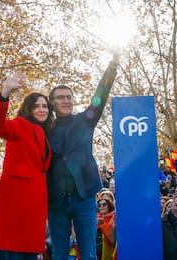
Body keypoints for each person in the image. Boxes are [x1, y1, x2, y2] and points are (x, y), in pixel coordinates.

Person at [46, 53, 119, 260]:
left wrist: (112, 67)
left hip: (84, 196)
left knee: (87, 253)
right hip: (55, 199)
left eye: (68, 97)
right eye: (60, 97)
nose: (66, 100)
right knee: (59, 253)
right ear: (51, 103)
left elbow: (101, 95)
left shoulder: (84, 120)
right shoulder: (44, 127)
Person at [0, 75, 54, 259]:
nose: (41, 109)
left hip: (34, 208)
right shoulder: (20, 125)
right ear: (28, 109)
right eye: (37, 106)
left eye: (45, 106)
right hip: (18, 205)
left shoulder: (45, 133)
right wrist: (5, 93)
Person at [96, 190, 116, 260]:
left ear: (109, 205)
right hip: (96, 252)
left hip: (111, 250)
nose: (102, 206)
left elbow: (113, 240)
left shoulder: (115, 217)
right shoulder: (94, 219)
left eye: (104, 204)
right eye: (99, 205)